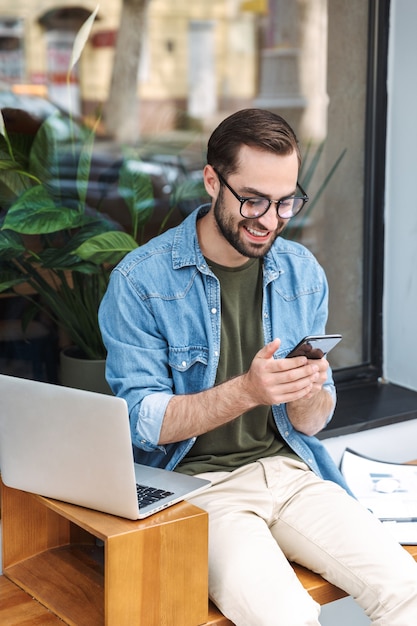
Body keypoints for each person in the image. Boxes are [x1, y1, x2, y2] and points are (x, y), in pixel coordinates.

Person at [99, 108, 417, 625]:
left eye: (285, 201)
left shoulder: (302, 272)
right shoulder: (140, 281)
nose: (269, 219)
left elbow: (313, 423)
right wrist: (247, 391)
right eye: (253, 199)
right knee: (286, 618)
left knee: (408, 588)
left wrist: (309, 390)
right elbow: (142, 422)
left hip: (293, 473)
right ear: (211, 181)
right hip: (201, 490)